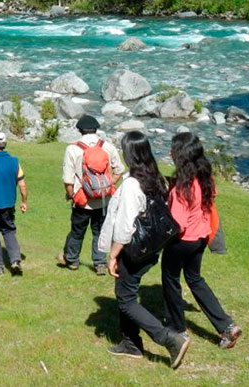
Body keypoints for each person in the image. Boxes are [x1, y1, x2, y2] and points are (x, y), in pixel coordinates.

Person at [100, 131, 190, 367]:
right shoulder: (155, 178)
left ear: (129, 154)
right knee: (125, 293)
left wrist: (113, 255)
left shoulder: (132, 184)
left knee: (126, 300)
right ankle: (130, 343)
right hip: (149, 249)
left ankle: (169, 339)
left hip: (132, 250)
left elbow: (125, 226)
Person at [162, 132, 242, 355]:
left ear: (181, 155)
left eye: (173, 150)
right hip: (200, 238)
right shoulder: (205, 179)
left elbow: (177, 223)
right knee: (195, 279)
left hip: (181, 241)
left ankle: (177, 328)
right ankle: (226, 326)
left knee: (170, 280)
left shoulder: (182, 187)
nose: (170, 153)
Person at [57, 114, 125, 275]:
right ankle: (100, 264)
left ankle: (72, 260)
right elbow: (119, 170)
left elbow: (68, 179)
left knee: (77, 231)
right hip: (104, 199)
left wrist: (71, 195)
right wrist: (107, 186)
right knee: (100, 232)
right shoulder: (108, 147)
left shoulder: (73, 149)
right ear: (96, 129)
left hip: (82, 200)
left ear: (80, 130)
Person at [0, 130, 28, 276]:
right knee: (9, 231)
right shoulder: (14, 161)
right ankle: (15, 259)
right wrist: (24, 201)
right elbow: (22, 185)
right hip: (9, 205)